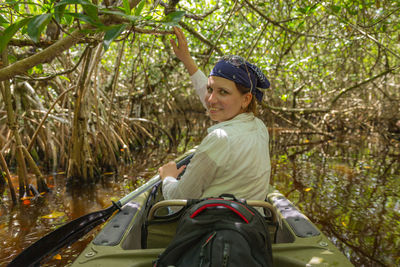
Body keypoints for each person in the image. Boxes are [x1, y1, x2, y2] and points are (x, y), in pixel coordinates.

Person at [158, 27, 271, 201]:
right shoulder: (258, 126)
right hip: (252, 221)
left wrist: (168, 177)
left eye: (223, 92)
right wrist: (187, 60)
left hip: (213, 224)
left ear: (246, 99)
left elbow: (178, 199)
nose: (211, 99)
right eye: (210, 89)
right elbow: (214, 101)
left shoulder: (220, 139)